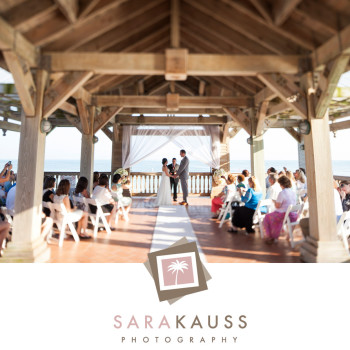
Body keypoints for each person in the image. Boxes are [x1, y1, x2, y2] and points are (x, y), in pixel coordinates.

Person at [262, 175, 297, 244]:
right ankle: (277, 235)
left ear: (281, 184)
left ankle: (270, 236)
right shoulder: (293, 192)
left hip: (285, 215)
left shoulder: (282, 193)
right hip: (293, 215)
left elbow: (277, 206)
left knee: (267, 217)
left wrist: (274, 202)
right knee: (274, 215)